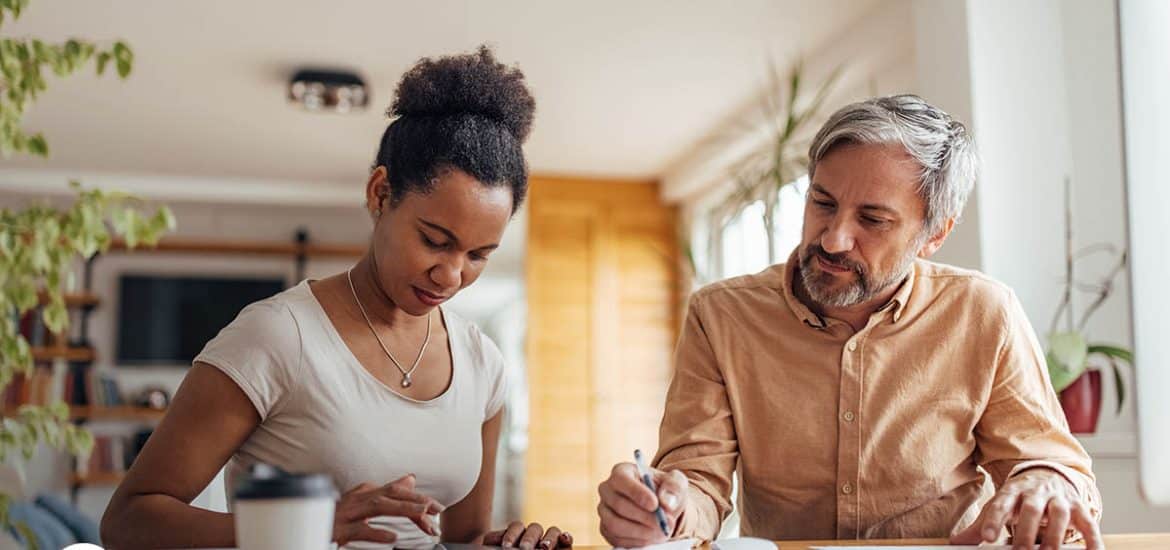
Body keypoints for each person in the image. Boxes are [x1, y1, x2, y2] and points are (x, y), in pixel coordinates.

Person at [102, 46, 570, 550]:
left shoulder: (483, 365)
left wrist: (509, 544)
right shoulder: (277, 337)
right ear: (379, 193)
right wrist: (307, 527)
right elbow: (127, 521)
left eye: (478, 254)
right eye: (435, 240)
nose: (452, 275)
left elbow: (462, 539)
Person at [596, 95, 1104, 550]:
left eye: (873, 220)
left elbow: (1051, 464)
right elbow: (698, 484)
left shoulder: (984, 312)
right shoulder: (721, 315)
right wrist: (665, 513)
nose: (833, 239)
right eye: (823, 203)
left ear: (935, 235)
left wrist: (1047, 484)